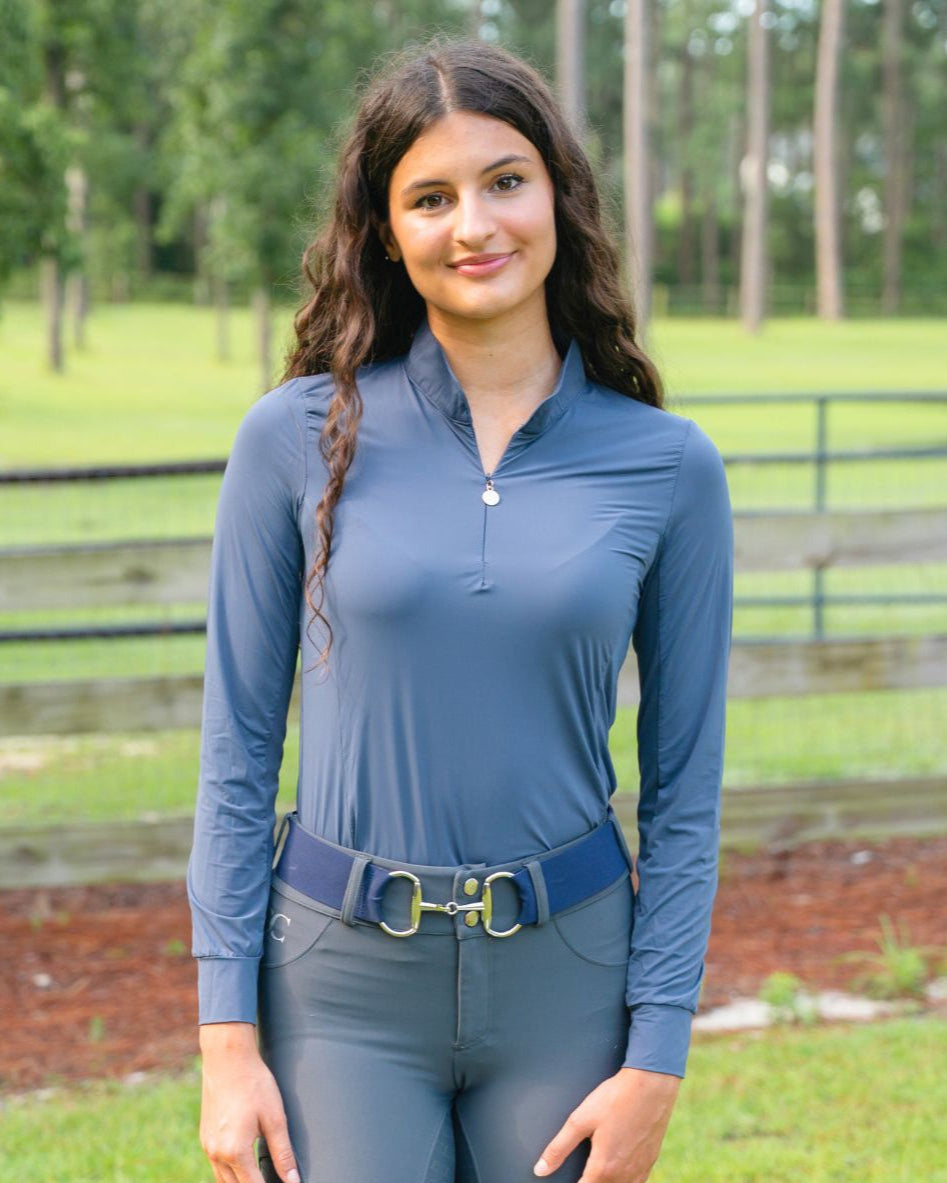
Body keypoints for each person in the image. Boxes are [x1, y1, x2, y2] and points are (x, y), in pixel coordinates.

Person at [186, 32, 733, 1183]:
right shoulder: (290, 440)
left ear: (558, 196)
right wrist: (226, 1042)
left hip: (569, 979)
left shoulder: (665, 465)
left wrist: (658, 1057)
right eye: (429, 197)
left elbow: (683, 790)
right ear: (386, 230)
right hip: (338, 991)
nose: (473, 226)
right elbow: (236, 757)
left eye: (502, 182)